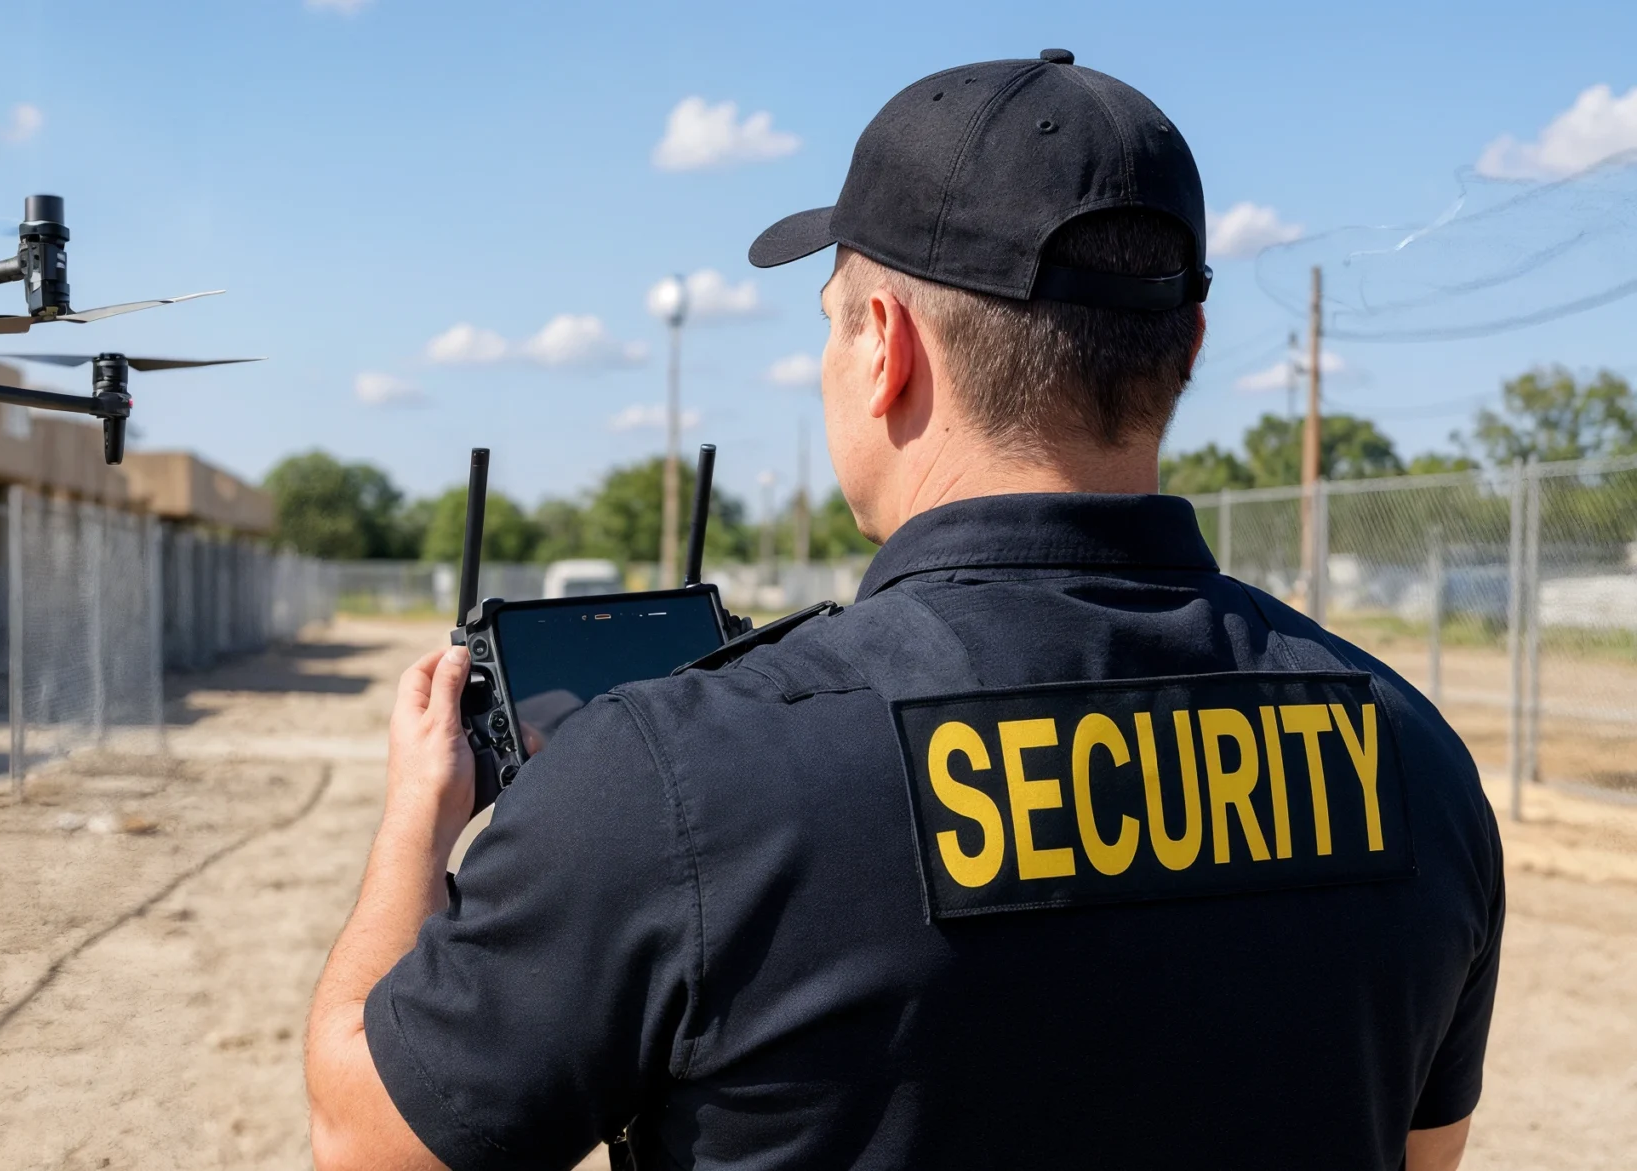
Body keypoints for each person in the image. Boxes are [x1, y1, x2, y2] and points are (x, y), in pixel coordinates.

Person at [305, 50, 1501, 1171]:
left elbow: (369, 1144)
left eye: (829, 322)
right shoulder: (1413, 758)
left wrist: (419, 817)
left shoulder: (679, 779)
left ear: (885, 347)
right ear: (1183, 346)